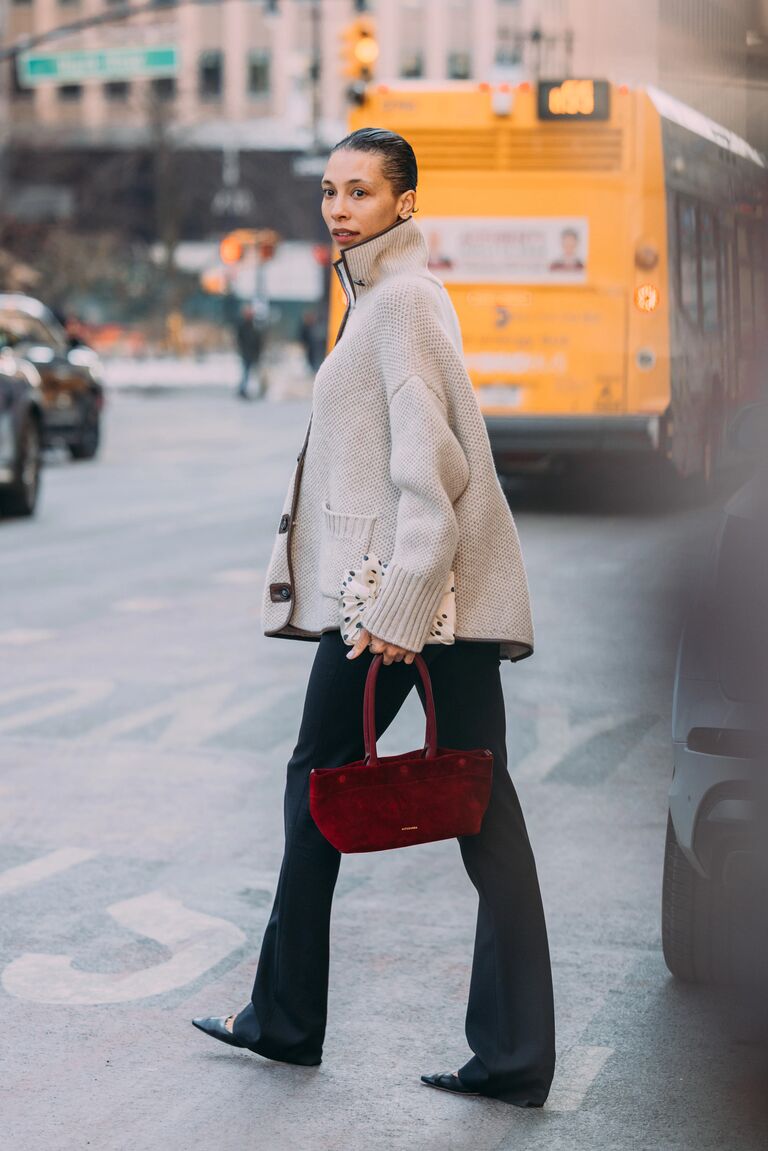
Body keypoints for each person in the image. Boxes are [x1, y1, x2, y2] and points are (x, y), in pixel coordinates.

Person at [192, 128, 556, 1107]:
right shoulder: (384, 300)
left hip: (406, 602)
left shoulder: (401, 304)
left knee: (321, 777)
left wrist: (397, 602)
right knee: (484, 811)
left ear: (404, 203)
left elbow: (430, 469)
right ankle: (514, 1053)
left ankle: (288, 1017)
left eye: (361, 191)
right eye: (329, 190)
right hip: (424, 602)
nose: (339, 206)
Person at [235, 303, 265, 399]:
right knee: (246, 373)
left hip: (255, 353)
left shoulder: (255, 325)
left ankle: (260, 390)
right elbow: (240, 339)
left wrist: (259, 351)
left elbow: (259, 339)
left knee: (256, 373)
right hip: (246, 353)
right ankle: (242, 390)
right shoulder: (242, 326)